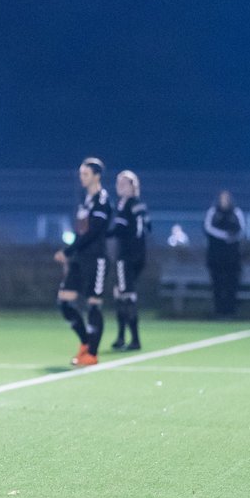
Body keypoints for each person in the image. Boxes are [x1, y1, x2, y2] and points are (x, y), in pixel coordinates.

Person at [54, 157, 111, 366]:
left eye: (85, 174)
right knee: (64, 302)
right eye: (80, 173)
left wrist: (68, 250)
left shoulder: (102, 201)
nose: (82, 177)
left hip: (96, 259)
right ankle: (85, 343)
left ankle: (92, 354)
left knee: (93, 304)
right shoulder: (84, 201)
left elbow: (93, 233)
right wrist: (69, 252)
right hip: (80, 258)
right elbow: (81, 232)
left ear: (96, 176)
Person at [108, 169, 150, 351]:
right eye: (118, 183)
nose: (119, 186)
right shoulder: (138, 204)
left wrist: (98, 233)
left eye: (124, 183)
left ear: (133, 186)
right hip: (137, 254)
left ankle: (133, 339)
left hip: (126, 256)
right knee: (120, 292)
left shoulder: (127, 204)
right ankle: (121, 337)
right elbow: (148, 226)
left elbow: (121, 229)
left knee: (126, 296)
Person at [204, 190, 245, 316]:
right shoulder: (212, 212)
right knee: (217, 285)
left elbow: (242, 231)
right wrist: (223, 236)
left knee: (231, 284)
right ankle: (218, 311)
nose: (224, 201)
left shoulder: (236, 212)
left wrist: (232, 237)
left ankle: (231, 311)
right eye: (222, 198)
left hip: (232, 258)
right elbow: (207, 228)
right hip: (215, 257)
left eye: (226, 199)